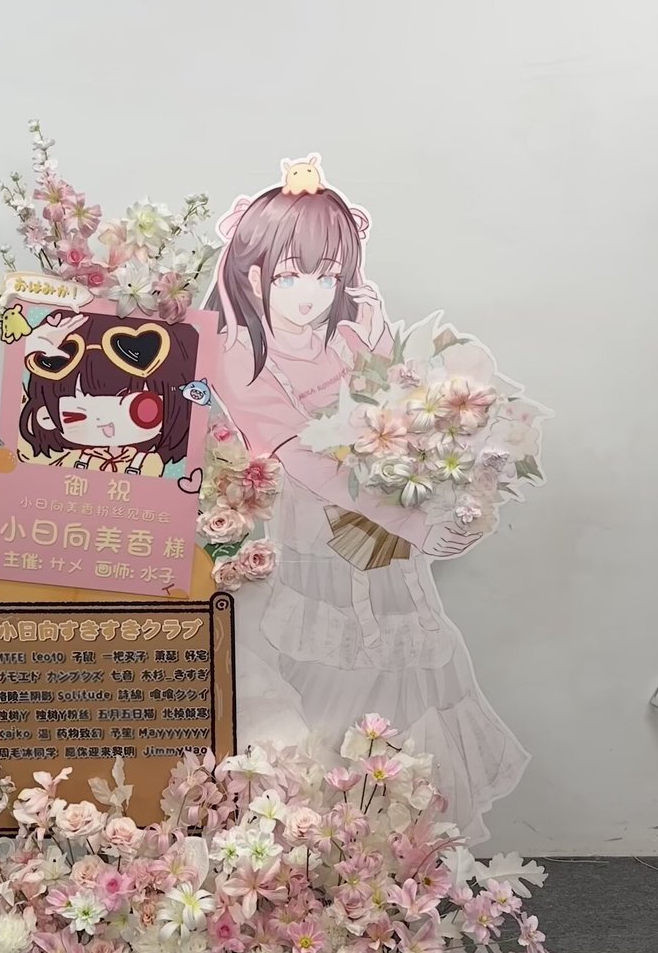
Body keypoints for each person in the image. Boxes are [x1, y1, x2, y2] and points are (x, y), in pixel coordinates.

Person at [203, 168, 528, 842]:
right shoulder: (235, 354)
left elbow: (394, 423)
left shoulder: (351, 336)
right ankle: (310, 844)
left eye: (325, 277)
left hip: (378, 544)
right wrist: (416, 522)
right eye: (289, 277)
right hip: (307, 541)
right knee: (317, 680)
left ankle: (394, 846)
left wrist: (384, 355)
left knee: (403, 673)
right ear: (251, 274)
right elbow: (302, 458)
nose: (309, 296)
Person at [18, 310, 194, 475]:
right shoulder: (58, 459)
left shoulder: (153, 462)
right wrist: (28, 345)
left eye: (137, 408)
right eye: (76, 414)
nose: (105, 426)